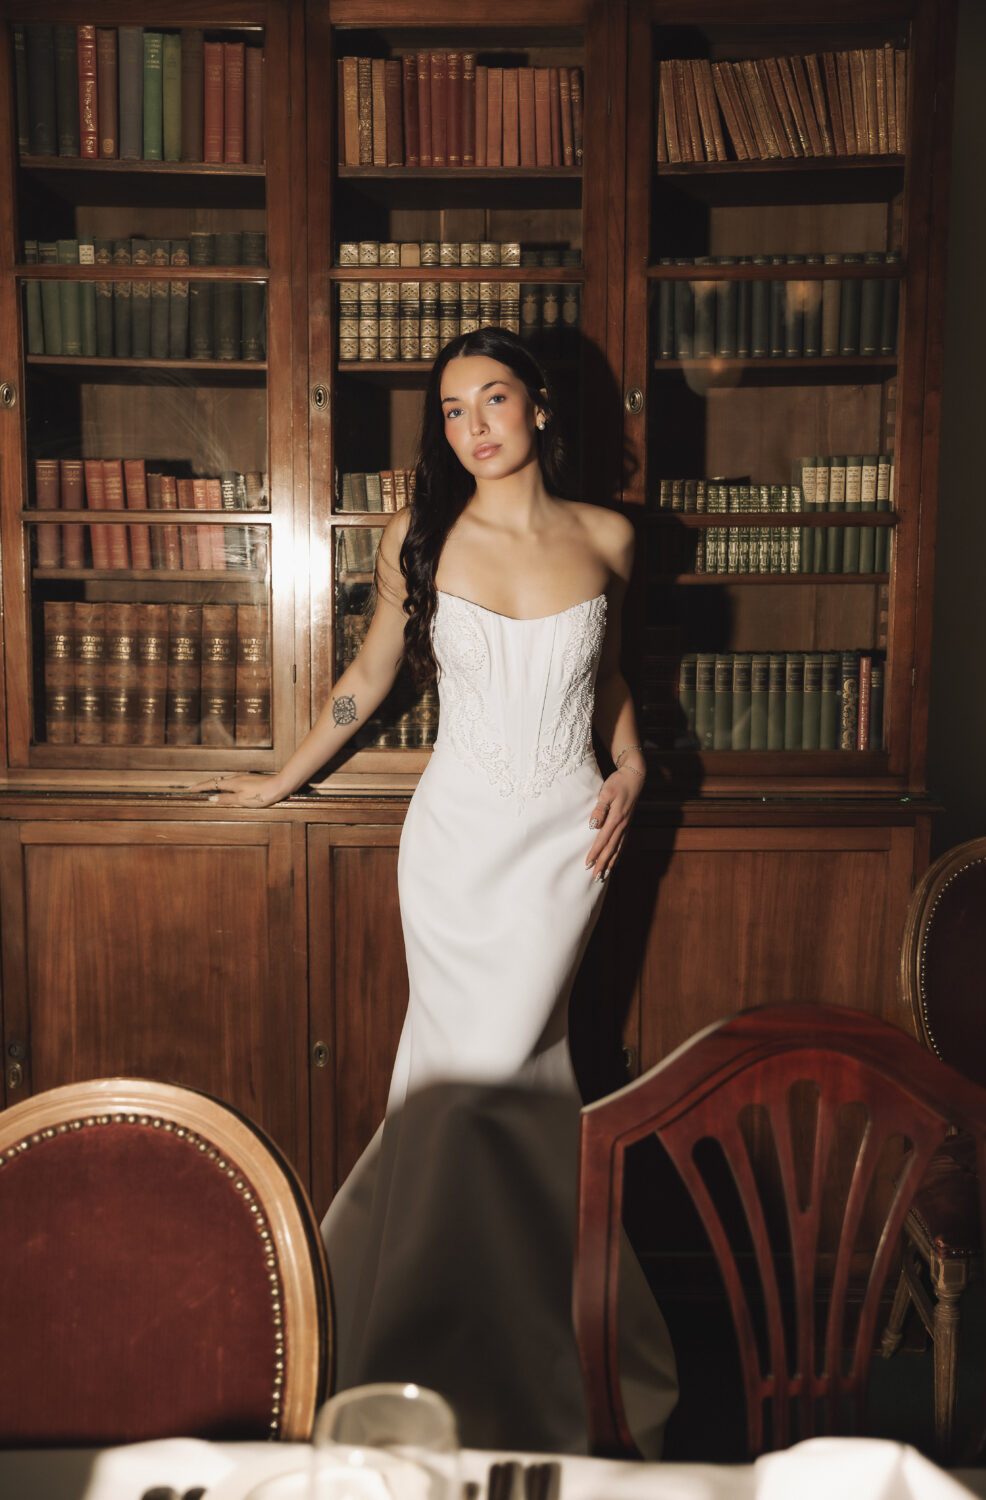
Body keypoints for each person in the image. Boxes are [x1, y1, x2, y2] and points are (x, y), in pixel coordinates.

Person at [193, 327, 677, 1454]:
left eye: (493, 400)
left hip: (564, 843)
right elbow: (369, 678)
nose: (475, 427)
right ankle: (414, 1337)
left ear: (540, 407)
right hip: (455, 843)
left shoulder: (609, 535)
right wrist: (278, 779)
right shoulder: (422, 535)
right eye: (454, 411)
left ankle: (549, 1345)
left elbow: (607, 679)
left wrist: (637, 760)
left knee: (520, 1082)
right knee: (464, 1084)